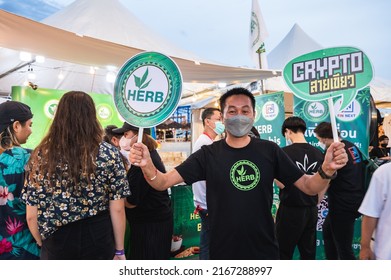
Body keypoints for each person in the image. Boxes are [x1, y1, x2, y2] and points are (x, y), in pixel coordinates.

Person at [129, 87, 348, 260]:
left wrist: (326, 170)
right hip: (222, 251)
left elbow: (309, 186)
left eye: (245, 111)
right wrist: (147, 164)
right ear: (222, 118)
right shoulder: (208, 154)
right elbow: (163, 182)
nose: (239, 116)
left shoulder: (269, 151)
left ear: (253, 115)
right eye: (232, 111)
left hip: (263, 250)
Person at [22, 91, 130, 260]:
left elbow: (31, 215)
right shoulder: (109, 154)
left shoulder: (41, 155)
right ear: (92, 117)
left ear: (59, 117)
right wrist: (120, 250)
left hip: (57, 239)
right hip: (99, 236)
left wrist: (42, 243)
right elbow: (117, 208)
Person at [113, 122, 173, 259]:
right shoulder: (150, 155)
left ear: (137, 135)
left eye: (126, 134)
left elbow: (132, 201)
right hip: (155, 222)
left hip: (149, 227)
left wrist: (115, 197)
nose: (123, 138)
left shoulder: (143, 163)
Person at [275, 116, 324, 260]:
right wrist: (315, 199)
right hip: (311, 209)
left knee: (283, 252)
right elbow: (324, 181)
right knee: (308, 253)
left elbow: (281, 183)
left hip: (290, 208)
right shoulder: (318, 153)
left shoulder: (283, 152)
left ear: (288, 132)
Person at [314, 122, 364, 260]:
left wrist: (316, 200)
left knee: (343, 247)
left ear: (324, 138)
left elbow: (326, 180)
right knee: (328, 233)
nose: (320, 142)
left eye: (318, 139)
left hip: (342, 204)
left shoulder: (334, 152)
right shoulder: (350, 146)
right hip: (354, 200)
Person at [0, 101, 40, 260]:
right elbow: (34, 212)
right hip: (25, 248)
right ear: (16, 126)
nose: (31, 130)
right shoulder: (29, 159)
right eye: (29, 125)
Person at [192, 107, 223, 260]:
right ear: (208, 122)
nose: (221, 122)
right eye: (218, 119)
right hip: (207, 203)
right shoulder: (204, 143)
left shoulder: (209, 142)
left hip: (207, 202)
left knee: (210, 241)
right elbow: (207, 177)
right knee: (208, 243)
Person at [358, 162, 391, 260]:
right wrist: (365, 247)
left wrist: (365, 247)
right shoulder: (385, 172)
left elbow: (371, 213)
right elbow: (370, 214)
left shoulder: (385, 172)